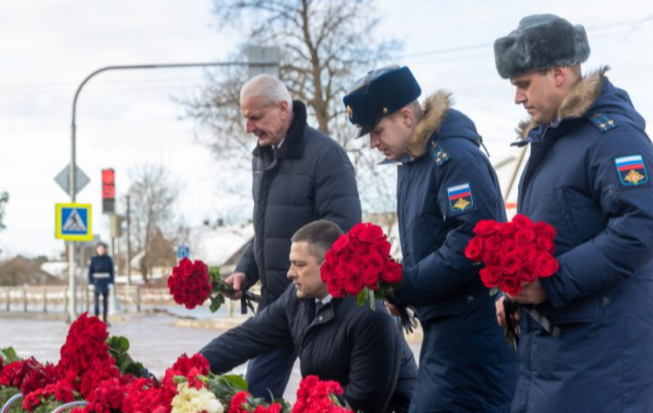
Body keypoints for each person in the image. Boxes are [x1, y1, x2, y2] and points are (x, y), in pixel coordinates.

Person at [492, 14, 653, 413]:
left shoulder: (613, 137)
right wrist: (519, 294)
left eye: (523, 84)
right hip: (558, 362)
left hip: (600, 370)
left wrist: (551, 284)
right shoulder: (556, 141)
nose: (518, 98)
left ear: (558, 73)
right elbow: (563, 235)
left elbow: (640, 226)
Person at [342, 65, 517, 412]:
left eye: (376, 131)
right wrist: (401, 290)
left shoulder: (452, 159)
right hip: (446, 326)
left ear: (406, 116)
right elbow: (431, 239)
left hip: (473, 333)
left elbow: (469, 243)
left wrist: (406, 285)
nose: (373, 143)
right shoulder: (414, 160)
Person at [225, 74, 362, 399]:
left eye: (255, 117)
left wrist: (310, 289)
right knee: (255, 396)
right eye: (245, 118)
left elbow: (341, 231)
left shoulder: (326, 156)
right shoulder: (262, 157)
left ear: (283, 109)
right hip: (278, 302)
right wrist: (246, 269)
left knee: (329, 400)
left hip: (322, 310)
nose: (249, 127)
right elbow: (266, 230)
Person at [201, 220, 417, 413]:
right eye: (291, 263)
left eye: (300, 264)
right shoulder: (295, 299)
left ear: (328, 264)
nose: (290, 273)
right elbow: (246, 337)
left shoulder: (369, 315)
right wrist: (194, 368)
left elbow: (364, 402)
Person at [88, 242, 115, 324]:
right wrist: (91, 283)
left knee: (105, 302)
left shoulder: (108, 259)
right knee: (96, 303)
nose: (101, 250)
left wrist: (111, 282)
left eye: (102, 248)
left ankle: (105, 319)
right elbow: (90, 271)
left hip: (105, 282)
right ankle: (96, 320)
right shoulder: (93, 259)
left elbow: (112, 271)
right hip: (96, 282)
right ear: (96, 249)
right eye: (99, 248)